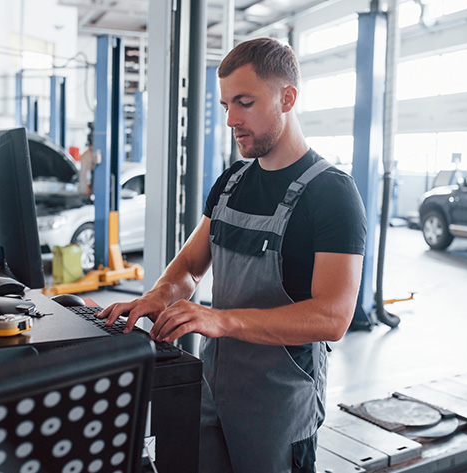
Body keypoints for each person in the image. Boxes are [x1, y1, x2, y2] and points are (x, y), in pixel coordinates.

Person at [99, 37, 367, 473]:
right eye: (226, 105)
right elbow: (188, 267)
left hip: (278, 404)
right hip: (212, 388)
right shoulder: (232, 182)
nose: (231, 119)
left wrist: (221, 320)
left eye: (244, 102)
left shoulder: (332, 194)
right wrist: (158, 296)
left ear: (288, 98)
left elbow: (332, 318)